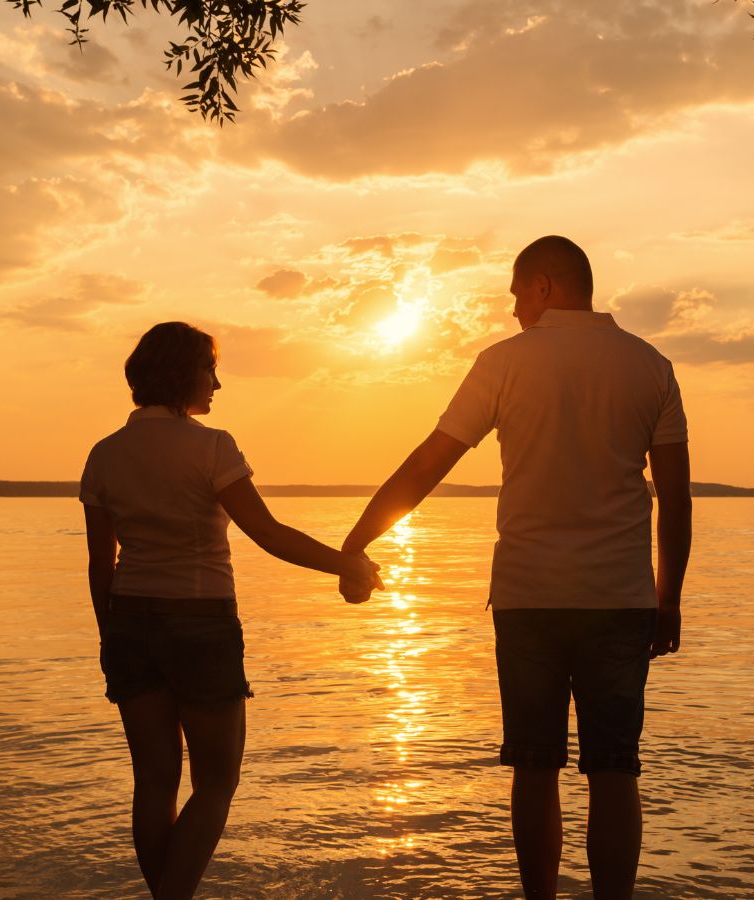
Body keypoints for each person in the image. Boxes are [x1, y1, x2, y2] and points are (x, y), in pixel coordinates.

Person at [339, 236, 692, 898]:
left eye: (515, 293)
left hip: (529, 598)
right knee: (615, 770)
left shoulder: (503, 363)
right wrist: (667, 598)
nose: (511, 310)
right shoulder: (650, 366)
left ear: (544, 286)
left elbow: (427, 464)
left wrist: (355, 542)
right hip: (620, 597)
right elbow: (675, 498)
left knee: (534, 767)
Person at [80, 321, 381, 899]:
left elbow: (101, 565)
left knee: (154, 784)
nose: (217, 383)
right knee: (216, 782)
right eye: (209, 369)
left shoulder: (105, 454)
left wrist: (108, 637)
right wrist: (345, 564)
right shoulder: (211, 446)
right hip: (200, 623)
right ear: (180, 374)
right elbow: (266, 533)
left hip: (128, 624)